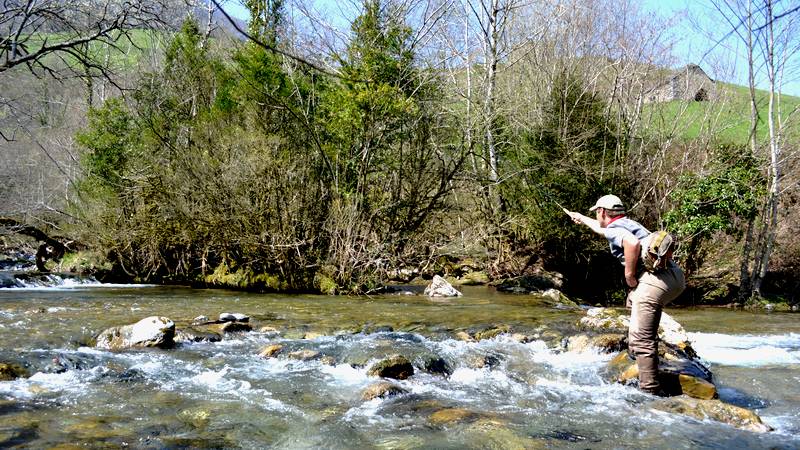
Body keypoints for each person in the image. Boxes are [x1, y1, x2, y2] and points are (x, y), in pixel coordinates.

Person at [566, 194, 685, 395]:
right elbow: (603, 229)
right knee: (634, 303)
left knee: (641, 337)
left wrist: (629, 275)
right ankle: (635, 357)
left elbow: (631, 243)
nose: (596, 216)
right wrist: (581, 218)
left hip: (654, 283)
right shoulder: (629, 223)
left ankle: (649, 391)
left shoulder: (615, 229)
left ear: (602, 212)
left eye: (596, 212)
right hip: (674, 276)